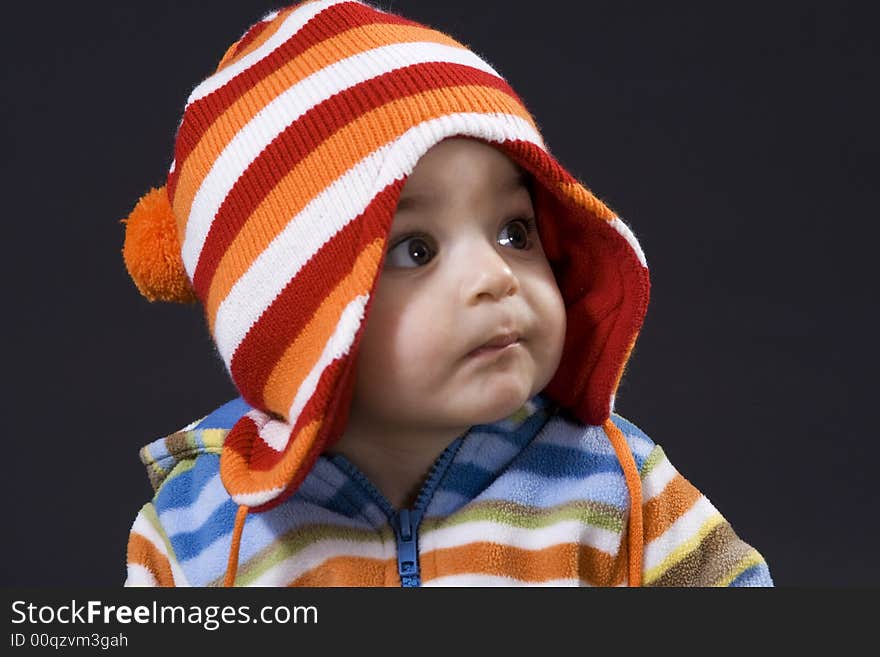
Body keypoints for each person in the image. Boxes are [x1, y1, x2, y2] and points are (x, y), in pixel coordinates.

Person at [121, 0, 773, 587]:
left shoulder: (611, 483)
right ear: (295, 318)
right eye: (416, 249)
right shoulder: (200, 532)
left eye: (515, 231)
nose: (497, 275)